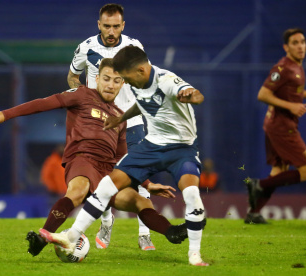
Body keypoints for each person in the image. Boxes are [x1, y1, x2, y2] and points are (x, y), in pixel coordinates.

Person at [0, 58, 188, 257]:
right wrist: (5, 114)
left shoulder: (120, 118)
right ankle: (42, 238)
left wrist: (148, 184)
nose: (110, 85)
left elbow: (123, 158)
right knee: (78, 190)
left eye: (116, 81)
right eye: (106, 78)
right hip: (82, 159)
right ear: (97, 78)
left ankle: (171, 232)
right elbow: (45, 103)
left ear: (122, 84)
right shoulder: (81, 94)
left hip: (106, 171)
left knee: (139, 200)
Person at [39, 46, 209, 266]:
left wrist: (191, 96)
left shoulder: (166, 80)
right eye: (115, 79)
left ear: (139, 70)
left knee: (189, 195)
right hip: (146, 147)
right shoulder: (129, 87)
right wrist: (119, 120)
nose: (123, 83)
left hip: (181, 148)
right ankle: (72, 235)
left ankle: (191, 251)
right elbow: (142, 104)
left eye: (123, 79)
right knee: (104, 186)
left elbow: (193, 93)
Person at [67, 3, 156, 251]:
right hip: (100, 122)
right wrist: (80, 92)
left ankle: (144, 232)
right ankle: (106, 221)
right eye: (107, 26)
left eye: (116, 26)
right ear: (99, 25)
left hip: (132, 120)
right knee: (102, 178)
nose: (111, 31)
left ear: (123, 26)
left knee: (140, 174)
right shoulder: (86, 48)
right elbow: (72, 75)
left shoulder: (134, 47)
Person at [244, 28, 306, 224]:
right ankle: (259, 184)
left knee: (279, 171)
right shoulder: (282, 68)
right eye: (295, 43)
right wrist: (291, 106)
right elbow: (262, 95)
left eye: (303, 42)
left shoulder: (296, 66)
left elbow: (293, 90)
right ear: (286, 47)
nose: (300, 46)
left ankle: (253, 213)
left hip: (279, 124)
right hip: (281, 126)